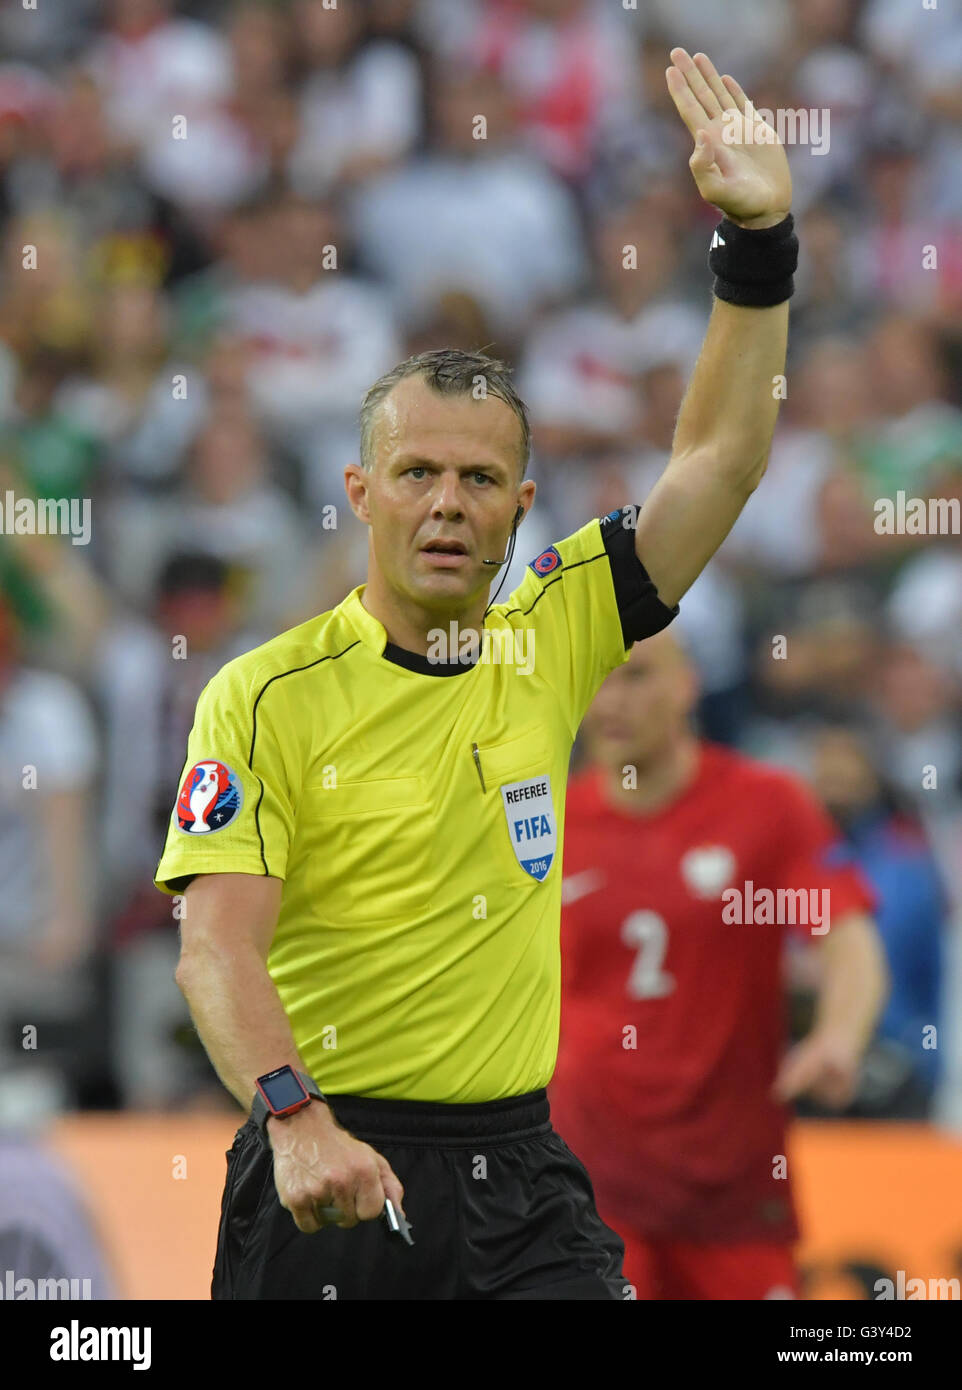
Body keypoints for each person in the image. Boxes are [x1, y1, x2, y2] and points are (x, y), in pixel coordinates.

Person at [154, 48, 800, 1300]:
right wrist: (293, 1118)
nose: (446, 504)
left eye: (478, 479)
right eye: (415, 473)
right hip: (321, 1166)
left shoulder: (553, 627)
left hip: (516, 1176)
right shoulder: (261, 694)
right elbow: (214, 950)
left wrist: (757, 238)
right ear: (360, 492)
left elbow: (717, 458)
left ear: (519, 506)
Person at [548, 631, 889, 1299]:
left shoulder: (767, 806)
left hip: (733, 1188)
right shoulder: (546, 823)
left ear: (687, 684)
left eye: (637, 676)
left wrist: (838, 1039)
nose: (611, 701)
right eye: (598, 679)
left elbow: (847, 938)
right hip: (589, 1187)